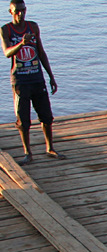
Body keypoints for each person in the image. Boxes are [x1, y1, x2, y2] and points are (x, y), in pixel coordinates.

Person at [1, 0, 61, 165]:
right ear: (10, 12)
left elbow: (41, 52)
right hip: (20, 81)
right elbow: (7, 52)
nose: (20, 14)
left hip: (37, 78)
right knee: (23, 119)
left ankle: (50, 148)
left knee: (46, 116)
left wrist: (51, 76)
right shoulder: (5, 29)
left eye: (22, 10)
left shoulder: (33, 27)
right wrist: (21, 43)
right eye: (16, 11)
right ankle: (28, 153)